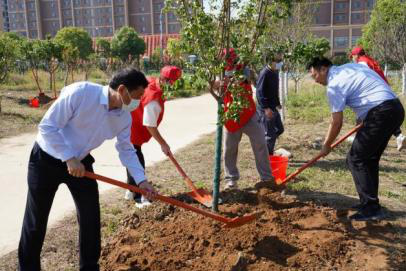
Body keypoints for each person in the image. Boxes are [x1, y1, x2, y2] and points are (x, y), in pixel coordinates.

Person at [18, 68, 157, 271]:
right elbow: (47, 127)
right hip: (45, 160)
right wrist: (68, 157)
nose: (138, 102)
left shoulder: (123, 118)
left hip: (81, 164)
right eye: (136, 97)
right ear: (121, 89)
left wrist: (141, 181)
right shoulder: (81, 93)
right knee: (36, 220)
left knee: (90, 215)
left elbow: (127, 150)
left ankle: (89, 267)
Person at [307, 57, 404, 221]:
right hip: (394, 108)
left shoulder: (334, 85)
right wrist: (364, 115)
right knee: (369, 158)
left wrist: (326, 145)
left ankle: (372, 208)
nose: (315, 80)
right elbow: (368, 88)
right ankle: (369, 204)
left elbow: (336, 122)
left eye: (314, 75)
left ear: (323, 69)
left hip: (380, 113)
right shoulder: (350, 67)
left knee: (355, 159)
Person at [215, 48, 274, 190]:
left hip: (249, 113)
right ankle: (231, 179)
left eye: (231, 58)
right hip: (231, 115)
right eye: (227, 58)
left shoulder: (244, 67)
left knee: (260, 143)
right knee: (230, 149)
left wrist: (230, 81)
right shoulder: (219, 70)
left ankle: (266, 178)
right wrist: (217, 84)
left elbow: (245, 79)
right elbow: (215, 86)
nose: (229, 61)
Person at [125, 66, 182, 207]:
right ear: (169, 82)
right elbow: (150, 125)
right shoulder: (154, 99)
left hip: (130, 124)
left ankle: (130, 190)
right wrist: (163, 144)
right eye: (175, 83)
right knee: (136, 161)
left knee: (133, 156)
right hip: (132, 128)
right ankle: (139, 198)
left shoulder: (151, 82)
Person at [350, 46, 405, 151]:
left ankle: (359, 139)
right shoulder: (370, 60)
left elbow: (363, 78)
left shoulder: (362, 63)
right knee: (386, 116)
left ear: (356, 55)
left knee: (367, 113)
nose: (352, 59)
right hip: (384, 90)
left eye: (352, 56)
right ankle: (399, 136)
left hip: (376, 92)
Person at [256, 52, 285, 154]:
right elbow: (259, 92)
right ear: (271, 62)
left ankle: (265, 143)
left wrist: (277, 103)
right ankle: (268, 156)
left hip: (273, 107)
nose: (280, 63)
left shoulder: (275, 72)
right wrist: (266, 108)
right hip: (266, 108)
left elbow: (274, 90)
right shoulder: (265, 73)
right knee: (270, 134)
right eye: (277, 61)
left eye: (280, 61)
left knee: (280, 129)